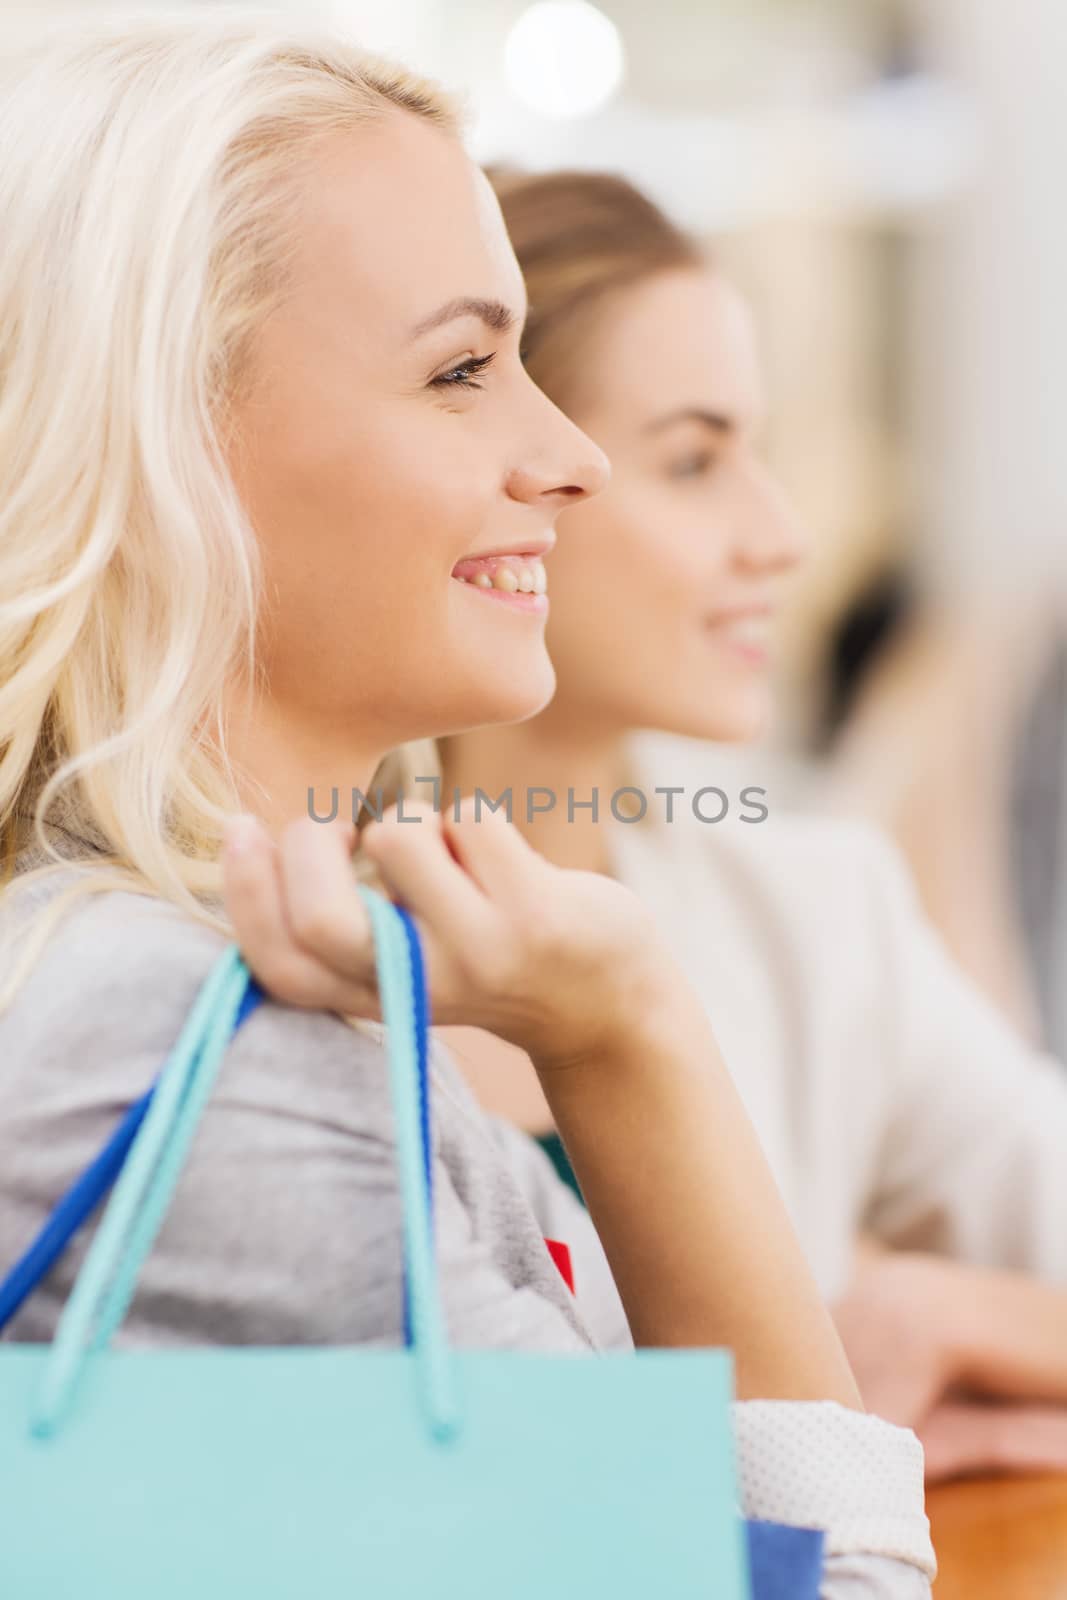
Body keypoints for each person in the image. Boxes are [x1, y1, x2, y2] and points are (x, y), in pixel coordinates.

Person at [0, 15, 934, 1597]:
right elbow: (834, 1585)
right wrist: (631, 1027)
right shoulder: (178, 1048)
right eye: (461, 370)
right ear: (173, 447)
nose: (568, 455)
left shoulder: (231, 985)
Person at [438, 166, 1067, 1483]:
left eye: (757, 455)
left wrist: (951, 1314)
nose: (781, 535)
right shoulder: (254, 938)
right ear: (511, 480)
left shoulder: (817, 916)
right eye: (693, 459)